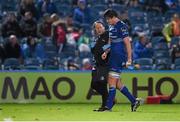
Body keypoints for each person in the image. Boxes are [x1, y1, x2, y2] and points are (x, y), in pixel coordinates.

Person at [101, 9, 141, 112]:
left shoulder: (122, 26)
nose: (107, 21)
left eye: (108, 19)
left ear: (113, 17)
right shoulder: (111, 26)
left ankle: (108, 106)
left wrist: (129, 59)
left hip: (118, 56)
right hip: (111, 55)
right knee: (118, 83)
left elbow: (127, 43)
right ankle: (134, 101)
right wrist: (106, 51)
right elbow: (110, 41)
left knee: (111, 80)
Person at [90, 21, 115, 111]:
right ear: (95, 30)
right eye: (97, 28)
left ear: (104, 27)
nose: (99, 29)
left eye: (100, 27)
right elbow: (93, 51)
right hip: (96, 64)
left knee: (102, 84)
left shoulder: (108, 35)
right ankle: (109, 100)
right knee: (94, 85)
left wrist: (104, 51)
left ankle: (105, 105)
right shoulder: (95, 39)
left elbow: (110, 46)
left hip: (104, 65)